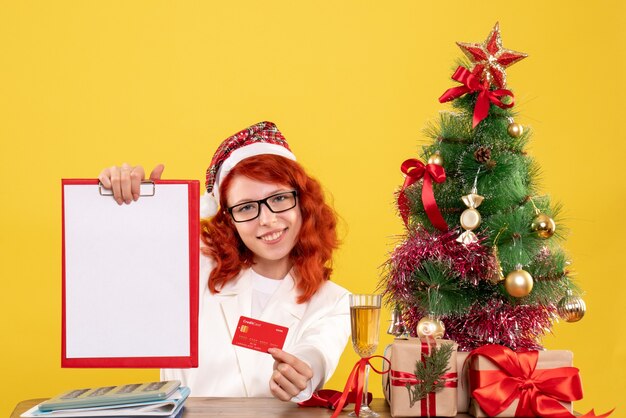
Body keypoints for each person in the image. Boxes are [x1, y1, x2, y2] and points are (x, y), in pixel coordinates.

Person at [98, 121, 351, 402]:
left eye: (279, 198)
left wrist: (304, 372)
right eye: (246, 207)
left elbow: (317, 353)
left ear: (303, 202)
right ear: (229, 219)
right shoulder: (193, 264)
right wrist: (125, 202)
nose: (267, 220)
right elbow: (119, 269)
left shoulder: (335, 302)